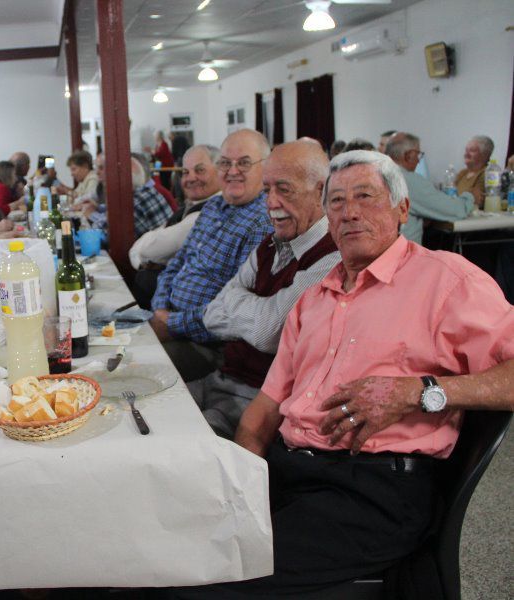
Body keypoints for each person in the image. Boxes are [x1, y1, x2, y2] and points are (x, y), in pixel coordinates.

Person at [168, 150, 514, 599]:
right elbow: (261, 415)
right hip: (290, 472)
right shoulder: (316, 297)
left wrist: (419, 392)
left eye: (366, 196)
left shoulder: (446, 280)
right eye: (336, 202)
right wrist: (240, 491)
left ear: (401, 209)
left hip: (373, 491)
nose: (349, 212)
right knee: (165, 541)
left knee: (200, 581)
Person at [186, 141, 340, 439]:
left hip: (259, 401)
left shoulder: (332, 256)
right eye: (267, 189)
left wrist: (241, 304)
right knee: (142, 410)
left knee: (181, 443)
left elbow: (267, 333)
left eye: (284, 189)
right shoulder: (271, 243)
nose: (270, 202)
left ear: (321, 191)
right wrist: (258, 312)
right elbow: (211, 316)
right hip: (218, 379)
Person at [148, 129, 272, 382]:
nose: (232, 171)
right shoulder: (214, 205)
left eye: (244, 163)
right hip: (171, 319)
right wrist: (161, 307)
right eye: (225, 163)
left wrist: (172, 323)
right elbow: (176, 264)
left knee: (143, 367)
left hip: (211, 345)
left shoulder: (264, 221)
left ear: (265, 168)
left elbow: (233, 310)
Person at [129, 144, 221, 271]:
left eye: (200, 170)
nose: (191, 178)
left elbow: (148, 250)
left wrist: (140, 256)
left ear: (221, 172)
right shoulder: (191, 206)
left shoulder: (212, 211)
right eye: (185, 172)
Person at [385, 132, 473, 244]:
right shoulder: (408, 180)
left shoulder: (376, 174)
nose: (418, 160)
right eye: (418, 155)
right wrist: (470, 196)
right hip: (404, 255)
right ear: (409, 155)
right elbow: (457, 210)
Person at [83, 155, 173, 238]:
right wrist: (98, 208)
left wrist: (91, 214)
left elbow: (102, 234)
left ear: (124, 180)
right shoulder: (146, 191)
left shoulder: (134, 202)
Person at [454, 135, 493, 208]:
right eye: (466, 150)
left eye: (472, 150)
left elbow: (476, 199)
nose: (466, 154)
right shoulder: (463, 173)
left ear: (484, 154)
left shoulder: (487, 173)